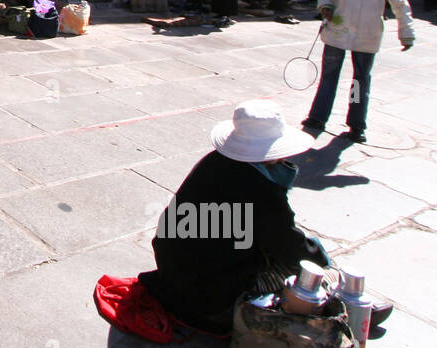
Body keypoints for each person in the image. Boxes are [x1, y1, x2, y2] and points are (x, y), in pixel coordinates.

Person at [138, 100, 393, 335]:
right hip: (208, 303)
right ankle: (350, 309)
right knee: (307, 274)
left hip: (173, 280)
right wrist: (324, 264)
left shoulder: (213, 162)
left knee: (281, 245)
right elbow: (289, 246)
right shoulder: (259, 188)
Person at [303, 0, 414, 144]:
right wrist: (325, 6)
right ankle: (317, 117)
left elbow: (400, 4)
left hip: (367, 34)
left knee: (359, 81)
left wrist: (406, 32)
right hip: (338, 29)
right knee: (329, 76)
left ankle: (356, 124)